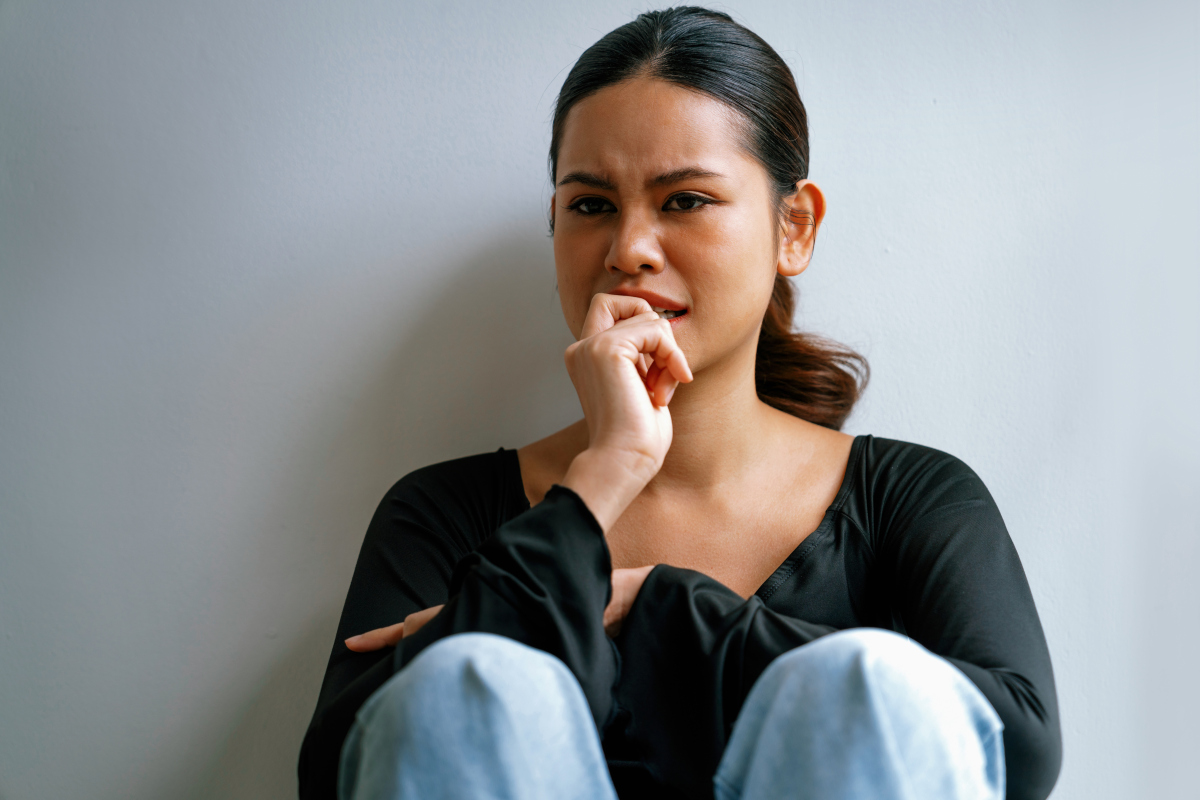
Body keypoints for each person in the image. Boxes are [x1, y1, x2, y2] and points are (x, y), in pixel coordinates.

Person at [298, 7, 1061, 800]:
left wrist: (667, 606)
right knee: (467, 683)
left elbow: (1020, 751)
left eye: (685, 199)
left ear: (792, 227)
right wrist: (606, 474)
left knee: (870, 681)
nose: (628, 249)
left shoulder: (911, 500)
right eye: (590, 204)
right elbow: (335, 774)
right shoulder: (441, 511)